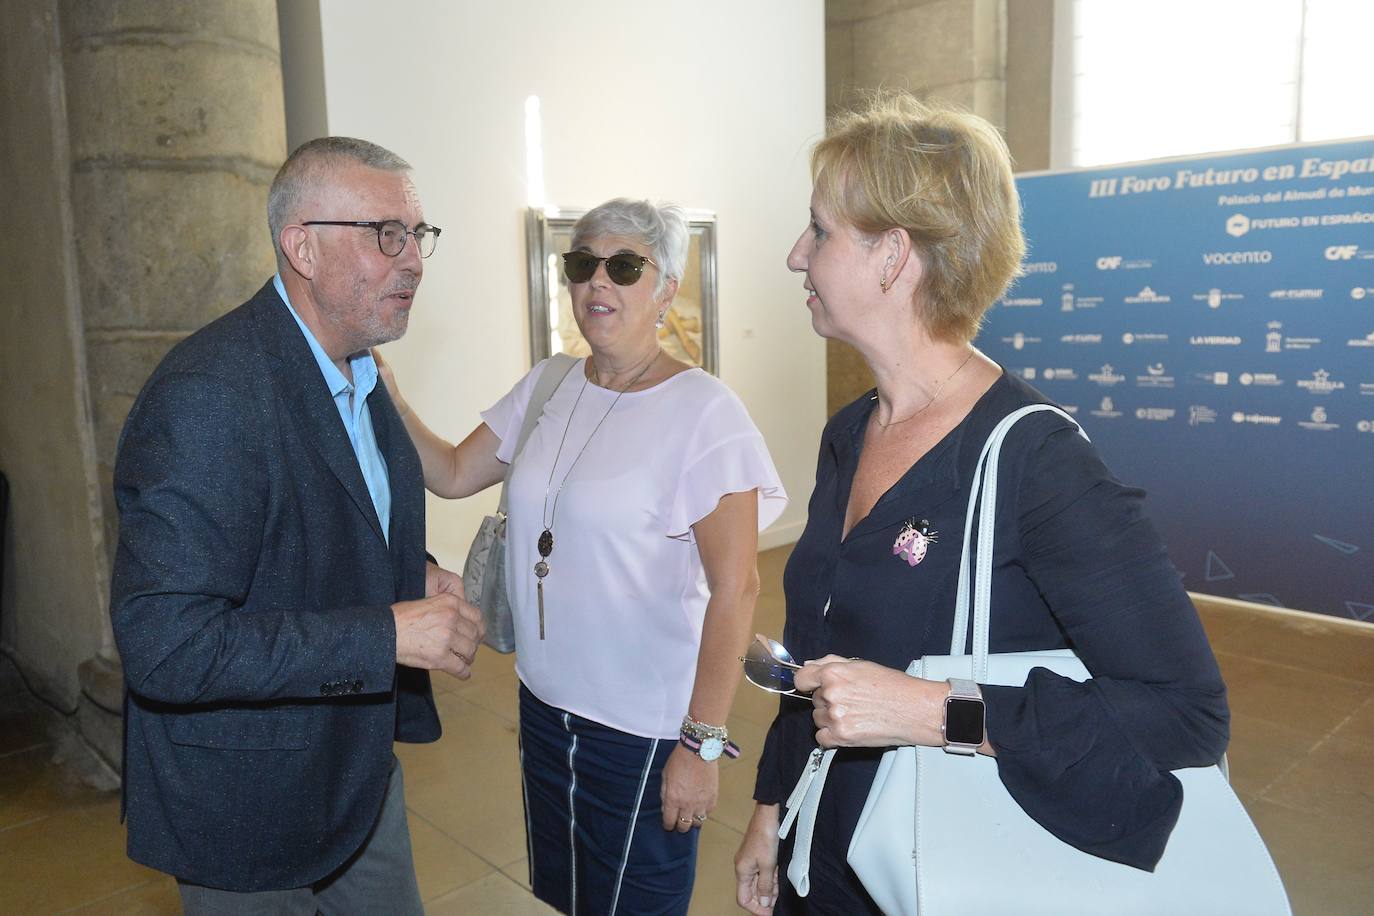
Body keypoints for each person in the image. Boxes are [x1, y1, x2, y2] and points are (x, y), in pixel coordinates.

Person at [733, 94, 1230, 914]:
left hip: (947, 864)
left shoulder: (1040, 463)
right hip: (823, 851)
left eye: (819, 231)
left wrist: (934, 711)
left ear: (893, 255)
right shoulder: (849, 434)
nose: (796, 255)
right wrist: (768, 811)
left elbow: (1186, 715)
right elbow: (818, 660)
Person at [379, 198, 787, 915]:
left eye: (624, 266)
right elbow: (447, 472)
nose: (598, 283)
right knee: (567, 898)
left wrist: (700, 745)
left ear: (665, 289)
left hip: (644, 732)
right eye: (581, 265)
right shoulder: (549, 385)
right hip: (543, 707)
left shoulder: (705, 413)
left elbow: (739, 587)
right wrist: (387, 394)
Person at [110, 136, 484, 914]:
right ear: (302, 247)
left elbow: (321, 514)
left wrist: (404, 569)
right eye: (386, 235)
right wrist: (386, 634)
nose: (413, 260)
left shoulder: (360, 364)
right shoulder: (209, 394)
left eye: (418, 236)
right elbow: (167, 648)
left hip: (355, 771)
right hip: (245, 798)